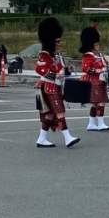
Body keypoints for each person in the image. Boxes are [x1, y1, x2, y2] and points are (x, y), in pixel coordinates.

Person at [34, 17, 78, 148]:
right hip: (49, 87)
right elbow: (39, 69)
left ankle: (41, 139)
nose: (59, 42)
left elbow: (60, 70)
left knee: (50, 115)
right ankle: (67, 137)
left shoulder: (56, 55)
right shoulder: (44, 55)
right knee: (60, 111)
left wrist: (67, 70)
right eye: (57, 40)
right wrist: (55, 75)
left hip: (56, 86)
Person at [79, 26, 109, 131]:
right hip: (94, 81)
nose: (98, 46)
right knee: (100, 102)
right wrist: (100, 70)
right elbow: (86, 68)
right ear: (92, 44)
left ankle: (91, 123)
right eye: (96, 44)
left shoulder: (98, 54)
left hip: (100, 80)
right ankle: (100, 123)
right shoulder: (88, 55)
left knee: (95, 103)